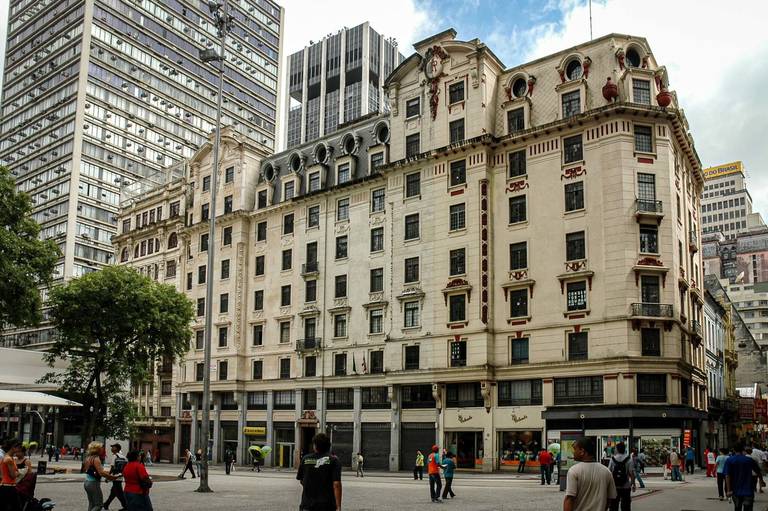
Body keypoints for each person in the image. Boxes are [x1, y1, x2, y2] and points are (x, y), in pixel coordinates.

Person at [564, 436, 617, 511]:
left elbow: (569, 499)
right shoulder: (606, 471)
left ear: (582, 451)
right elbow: (610, 498)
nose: (573, 452)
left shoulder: (574, 471)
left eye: (575, 449)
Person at [296, 433, 342, 511]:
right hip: (327, 505)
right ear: (329, 446)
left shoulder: (305, 459)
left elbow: (301, 480)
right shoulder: (334, 460)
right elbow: (336, 484)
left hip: (307, 504)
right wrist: (338, 507)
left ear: (314, 446)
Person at [725, 442, 765, 511]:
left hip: (735, 491)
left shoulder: (730, 460)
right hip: (748, 490)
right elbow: (758, 472)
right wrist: (761, 481)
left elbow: (727, 475)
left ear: (734, 450)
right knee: (748, 508)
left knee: (737, 508)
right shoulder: (749, 460)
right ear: (743, 449)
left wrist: (728, 490)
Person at [83, 441, 118, 511]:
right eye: (102, 448)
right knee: (99, 505)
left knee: (92, 503)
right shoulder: (96, 459)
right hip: (93, 483)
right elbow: (101, 473)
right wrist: (112, 477)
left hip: (87, 482)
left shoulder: (88, 458)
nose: (103, 449)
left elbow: (87, 470)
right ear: (97, 449)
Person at [607, 442, 636, 511]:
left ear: (617, 449)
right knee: (626, 506)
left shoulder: (612, 459)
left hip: (614, 486)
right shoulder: (629, 459)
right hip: (626, 486)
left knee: (613, 506)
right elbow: (632, 473)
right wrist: (633, 484)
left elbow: (609, 472)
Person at [104, 443, 128, 511]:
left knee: (119, 493)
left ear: (117, 448)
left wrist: (108, 477)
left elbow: (112, 468)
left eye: (113, 447)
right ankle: (106, 504)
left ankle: (126, 506)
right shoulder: (123, 457)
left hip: (115, 477)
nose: (111, 448)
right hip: (120, 476)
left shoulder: (115, 456)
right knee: (114, 492)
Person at [1, 438, 22, 511]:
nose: (19, 450)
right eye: (18, 447)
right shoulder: (9, 459)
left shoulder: (8, 458)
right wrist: (19, 473)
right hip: (9, 487)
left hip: (6, 486)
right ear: (13, 447)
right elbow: (13, 475)